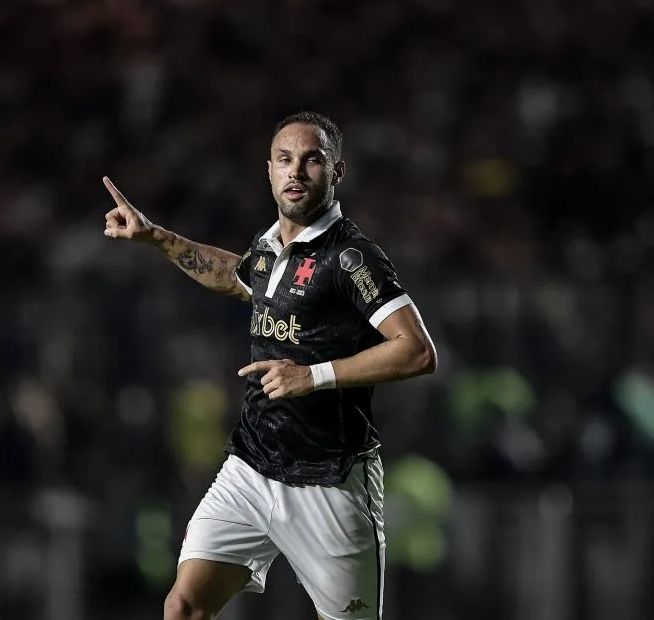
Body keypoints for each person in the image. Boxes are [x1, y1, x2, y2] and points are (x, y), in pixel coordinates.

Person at [102, 111, 438, 620]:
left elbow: (416, 350)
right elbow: (234, 275)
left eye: (312, 161)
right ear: (269, 170)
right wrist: (156, 237)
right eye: (285, 160)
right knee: (184, 605)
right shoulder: (268, 247)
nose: (296, 172)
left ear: (337, 173)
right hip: (252, 466)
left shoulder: (352, 257)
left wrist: (314, 375)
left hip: (331, 478)